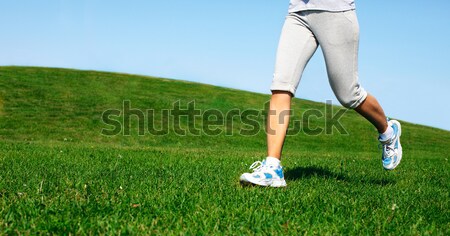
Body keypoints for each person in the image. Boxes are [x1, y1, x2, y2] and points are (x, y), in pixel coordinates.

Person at [240, 0, 402, 187]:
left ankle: (388, 131)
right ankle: (272, 167)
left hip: (336, 12)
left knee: (348, 94)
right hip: (298, 13)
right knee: (281, 85)